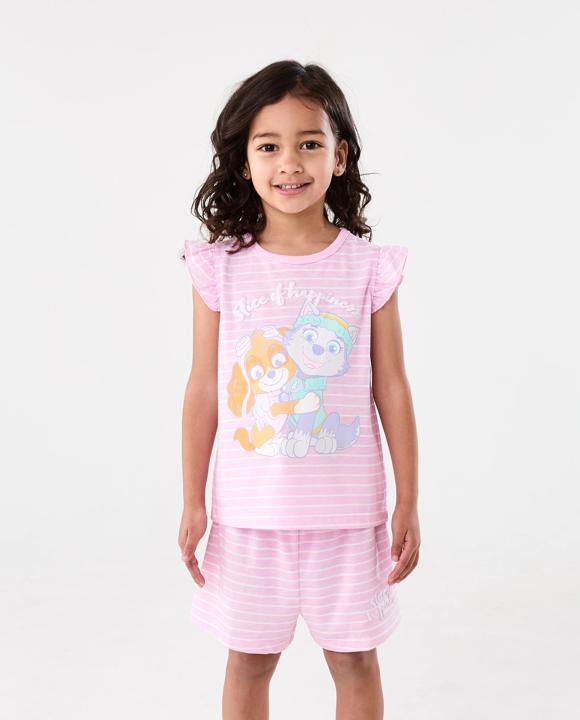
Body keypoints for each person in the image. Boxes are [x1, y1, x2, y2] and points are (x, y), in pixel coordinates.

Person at [178, 59, 420, 720]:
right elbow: (204, 389)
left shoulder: (368, 268)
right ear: (244, 161)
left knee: (355, 661)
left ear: (338, 156)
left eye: (309, 143)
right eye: (269, 146)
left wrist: (407, 498)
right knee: (249, 662)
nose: (290, 162)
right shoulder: (220, 267)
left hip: (349, 516)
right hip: (249, 516)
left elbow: (392, 387)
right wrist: (193, 499)